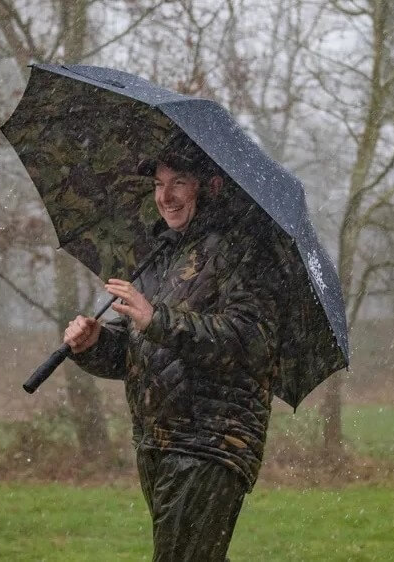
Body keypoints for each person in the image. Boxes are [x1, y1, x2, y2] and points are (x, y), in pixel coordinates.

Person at [63, 133, 285, 561]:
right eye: (158, 184)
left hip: (212, 442)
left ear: (212, 186)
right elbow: (145, 351)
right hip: (158, 442)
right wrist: (95, 344)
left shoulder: (243, 251)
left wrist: (157, 318)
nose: (165, 196)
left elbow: (252, 340)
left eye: (179, 182)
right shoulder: (160, 255)